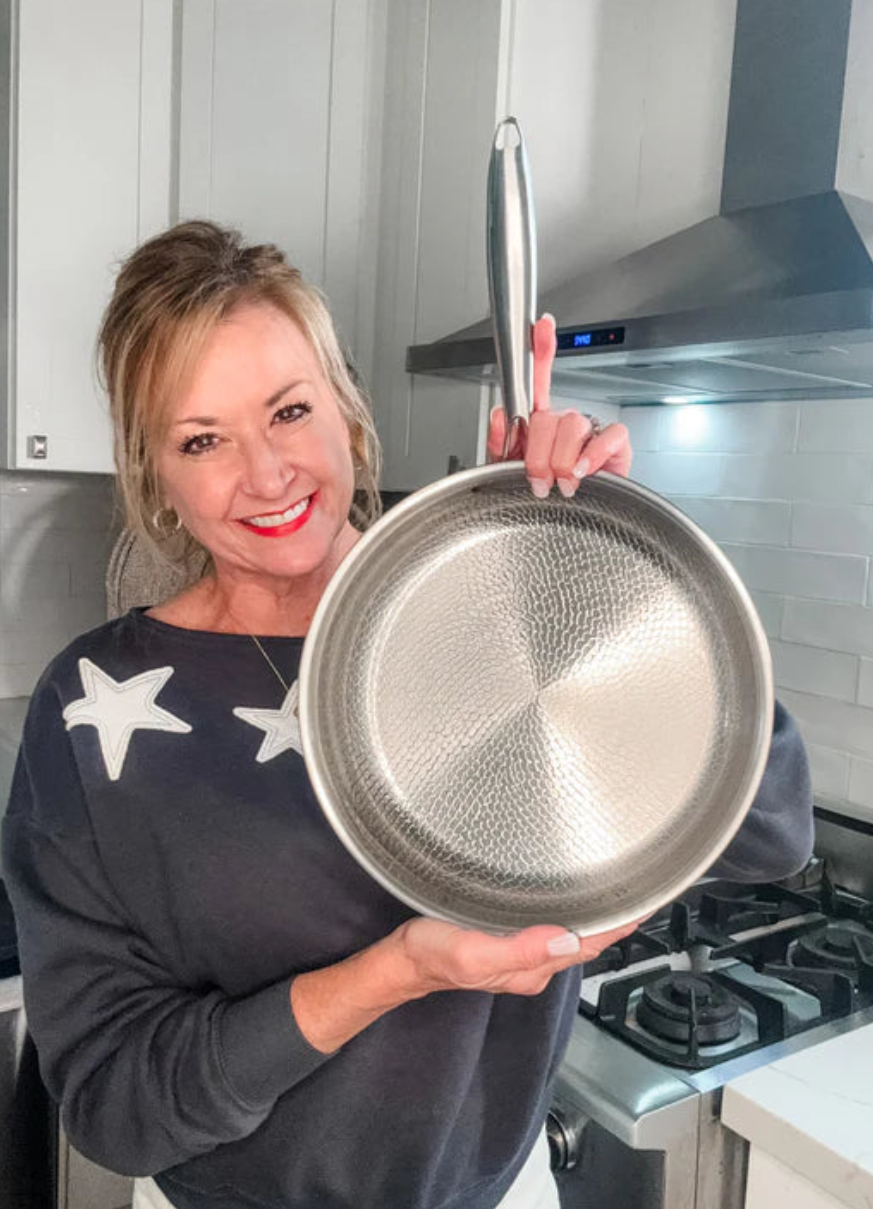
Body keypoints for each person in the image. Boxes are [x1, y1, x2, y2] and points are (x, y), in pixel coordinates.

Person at [1, 220, 813, 1209]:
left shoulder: (489, 613)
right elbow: (113, 1109)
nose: (267, 473)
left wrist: (594, 564)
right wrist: (394, 973)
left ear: (347, 409)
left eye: (290, 410)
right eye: (202, 439)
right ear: (156, 475)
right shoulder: (88, 709)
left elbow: (769, 832)